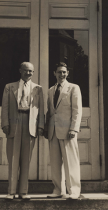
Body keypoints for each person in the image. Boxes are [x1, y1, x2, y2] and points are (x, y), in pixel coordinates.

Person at [1, 62, 44, 200]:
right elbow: (5, 107)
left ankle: (23, 192)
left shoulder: (38, 88)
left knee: (26, 159)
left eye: (31, 71)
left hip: (30, 123)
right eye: (26, 70)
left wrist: (40, 126)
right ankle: (11, 191)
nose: (29, 73)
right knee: (13, 158)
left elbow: (41, 109)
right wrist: (5, 124)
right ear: (20, 70)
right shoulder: (9, 87)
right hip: (14, 122)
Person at [45, 62, 82, 200]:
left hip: (68, 131)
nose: (62, 75)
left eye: (64, 72)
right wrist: (46, 128)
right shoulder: (50, 90)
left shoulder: (73, 88)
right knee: (55, 163)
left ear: (68, 73)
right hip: (53, 131)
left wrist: (74, 128)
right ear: (54, 73)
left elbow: (77, 110)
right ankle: (58, 189)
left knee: (70, 161)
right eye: (59, 72)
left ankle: (74, 190)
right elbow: (50, 112)